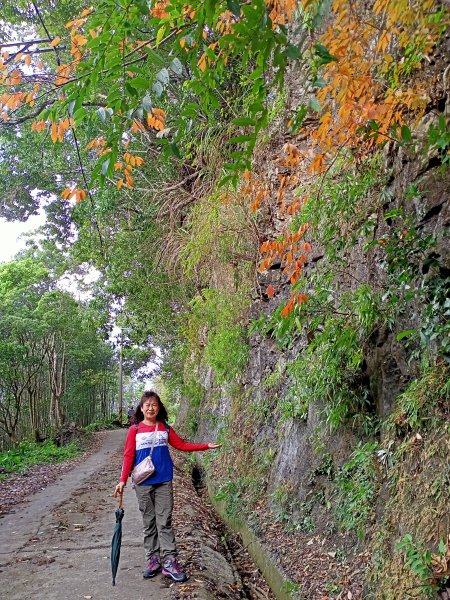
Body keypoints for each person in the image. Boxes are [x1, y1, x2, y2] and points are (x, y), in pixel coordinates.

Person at [113, 390, 220, 583]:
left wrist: (205, 446)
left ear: (159, 407)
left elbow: (181, 445)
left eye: (154, 405)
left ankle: (170, 561)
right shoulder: (134, 430)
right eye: (147, 405)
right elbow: (128, 456)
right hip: (143, 482)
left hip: (163, 480)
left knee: (165, 521)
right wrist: (122, 480)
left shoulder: (164, 428)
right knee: (149, 522)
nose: (150, 408)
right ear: (141, 408)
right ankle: (153, 560)